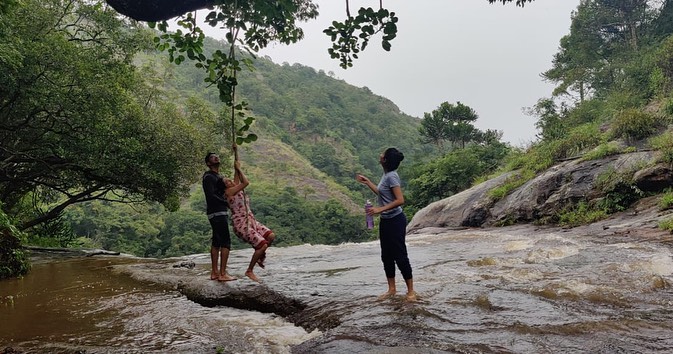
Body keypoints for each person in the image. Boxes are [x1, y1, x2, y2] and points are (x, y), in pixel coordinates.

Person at [356, 147, 417, 302]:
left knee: (400, 255)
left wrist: (379, 209)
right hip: (386, 220)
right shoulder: (386, 176)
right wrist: (368, 182)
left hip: (396, 220)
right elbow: (382, 194)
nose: (380, 154)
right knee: (386, 256)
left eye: (382, 154)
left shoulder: (392, 177)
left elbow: (400, 200)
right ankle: (392, 289)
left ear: (385, 160)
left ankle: (411, 292)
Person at [224, 145, 276, 282]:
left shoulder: (233, 188)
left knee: (270, 236)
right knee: (262, 245)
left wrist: (236, 152)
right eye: (227, 181)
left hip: (251, 220)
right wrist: (240, 169)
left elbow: (236, 172)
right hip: (242, 224)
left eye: (230, 180)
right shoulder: (228, 193)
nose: (230, 180)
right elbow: (245, 182)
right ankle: (249, 271)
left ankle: (260, 256)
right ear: (224, 186)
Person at [202, 152, 236, 282]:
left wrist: (236, 169)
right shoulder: (209, 177)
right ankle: (222, 273)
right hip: (217, 212)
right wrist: (225, 203)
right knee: (225, 242)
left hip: (215, 212)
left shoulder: (217, 177)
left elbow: (232, 185)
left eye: (217, 156)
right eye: (212, 157)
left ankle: (215, 272)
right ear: (208, 163)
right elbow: (210, 196)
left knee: (216, 241)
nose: (216, 157)